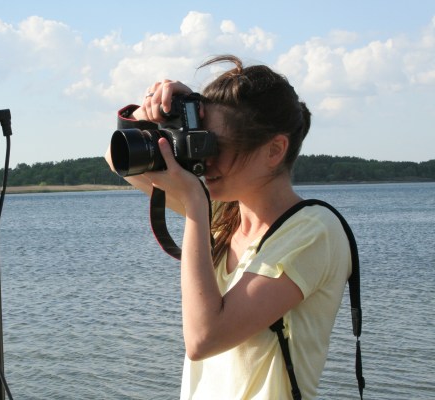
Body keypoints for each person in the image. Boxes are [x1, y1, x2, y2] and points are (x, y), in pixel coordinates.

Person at [105, 55, 352, 399]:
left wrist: (195, 203)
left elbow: (203, 338)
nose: (205, 158)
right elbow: (117, 160)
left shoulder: (314, 232)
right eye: (202, 139)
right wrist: (162, 114)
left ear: (275, 150)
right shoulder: (226, 215)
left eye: (217, 145)